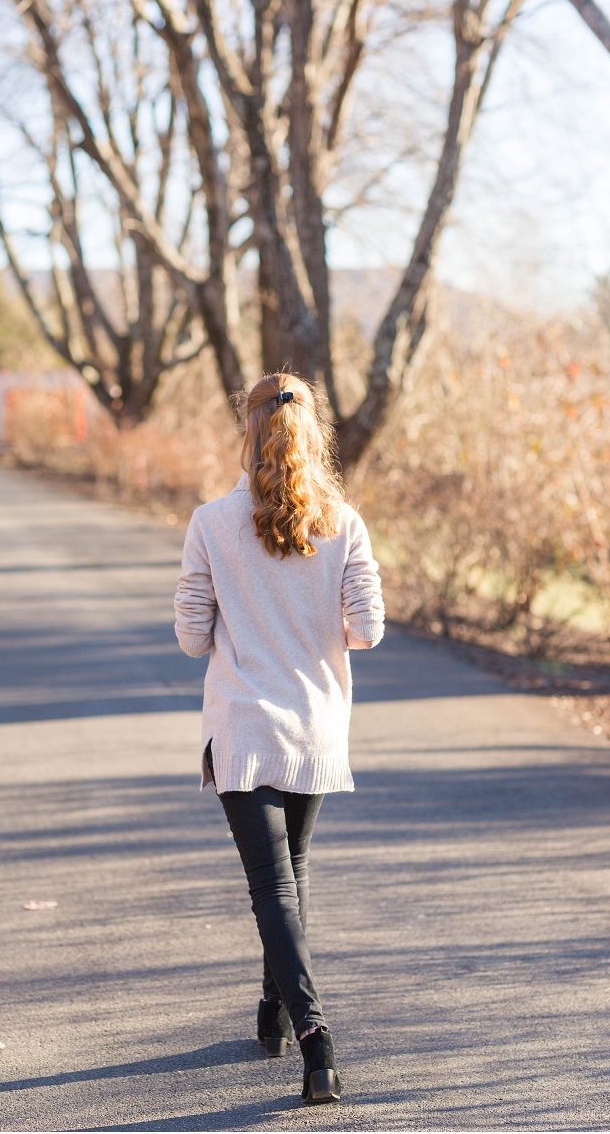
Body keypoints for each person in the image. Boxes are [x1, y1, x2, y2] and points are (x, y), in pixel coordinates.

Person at [173, 371, 384, 1106]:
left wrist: (246, 611)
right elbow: (368, 630)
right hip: (314, 728)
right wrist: (312, 620)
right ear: (314, 434)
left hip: (243, 727)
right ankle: (276, 1011)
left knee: (273, 886)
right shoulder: (344, 524)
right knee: (290, 877)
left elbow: (192, 637)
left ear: (248, 429)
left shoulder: (210, 523)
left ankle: (315, 1038)